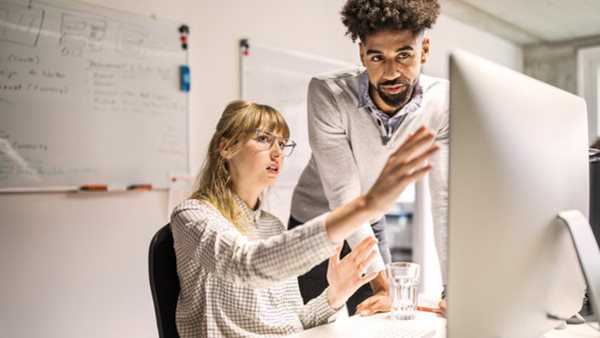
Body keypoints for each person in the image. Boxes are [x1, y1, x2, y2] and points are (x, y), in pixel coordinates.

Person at [171, 100, 438, 337]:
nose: (277, 152)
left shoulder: (271, 225)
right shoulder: (193, 215)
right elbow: (244, 265)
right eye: (264, 139)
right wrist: (361, 207)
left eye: (281, 143)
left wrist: (336, 294)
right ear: (226, 147)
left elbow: (295, 322)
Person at [289, 0, 448, 316]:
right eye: (378, 57)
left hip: (371, 220)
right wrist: (383, 285)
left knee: (380, 317)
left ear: (425, 50)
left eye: (404, 55)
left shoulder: (441, 101)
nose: (391, 72)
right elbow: (344, 200)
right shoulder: (329, 94)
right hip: (319, 228)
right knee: (321, 326)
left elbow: (445, 199)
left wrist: (454, 287)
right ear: (362, 54)